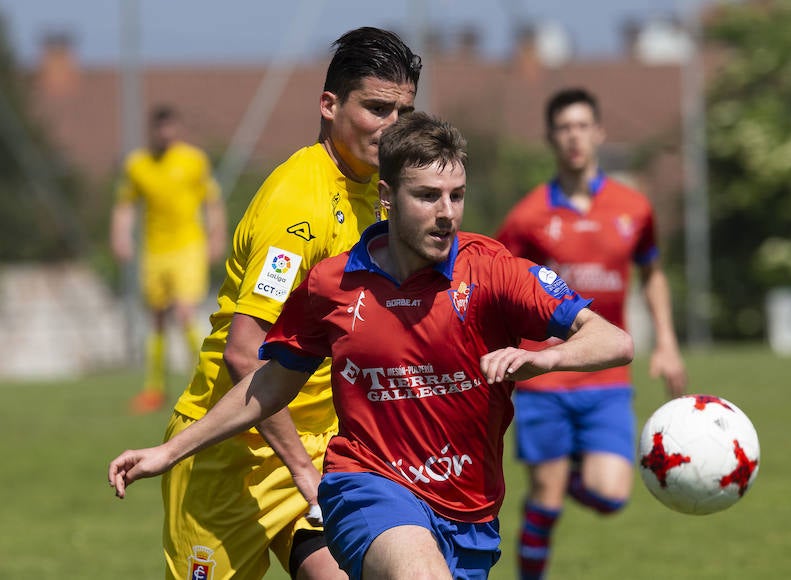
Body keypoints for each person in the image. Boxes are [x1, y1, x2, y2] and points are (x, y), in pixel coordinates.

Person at [109, 112, 635, 580]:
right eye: (427, 196)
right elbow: (268, 381)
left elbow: (614, 340)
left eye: (457, 195)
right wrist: (169, 452)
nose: (447, 213)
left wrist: (546, 357)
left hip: (469, 509)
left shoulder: (492, 270)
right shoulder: (331, 285)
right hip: (368, 486)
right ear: (387, 199)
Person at [130, 28, 421, 580]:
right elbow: (246, 355)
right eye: (376, 108)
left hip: (321, 450)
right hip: (227, 456)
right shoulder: (299, 206)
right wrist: (302, 473)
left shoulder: (382, 194)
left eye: (402, 111)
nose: (391, 127)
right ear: (330, 106)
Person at [495, 87, 688, 579]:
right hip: (545, 376)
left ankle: (573, 469)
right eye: (564, 128)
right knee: (546, 501)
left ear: (599, 132)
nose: (574, 137)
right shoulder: (527, 217)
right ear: (551, 138)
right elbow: (497, 283)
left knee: (612, 495)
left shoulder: (634, 208)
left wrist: (665, 341)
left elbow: (653, 272)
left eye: (583, 125)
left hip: (606, 377)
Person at [110, 104, 227, 414]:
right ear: (153, 130)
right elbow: (125, 205)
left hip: (188, 247)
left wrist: (216, 236)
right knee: (158, 317)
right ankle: (154, 389)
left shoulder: (193, 160)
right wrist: (120, 236)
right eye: (160, 128)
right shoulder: (138, 165)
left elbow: (212, 202)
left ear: (177, 129)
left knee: (185, 312)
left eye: (170, 127)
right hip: (154, 252)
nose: (165, 134)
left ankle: (204, 382)